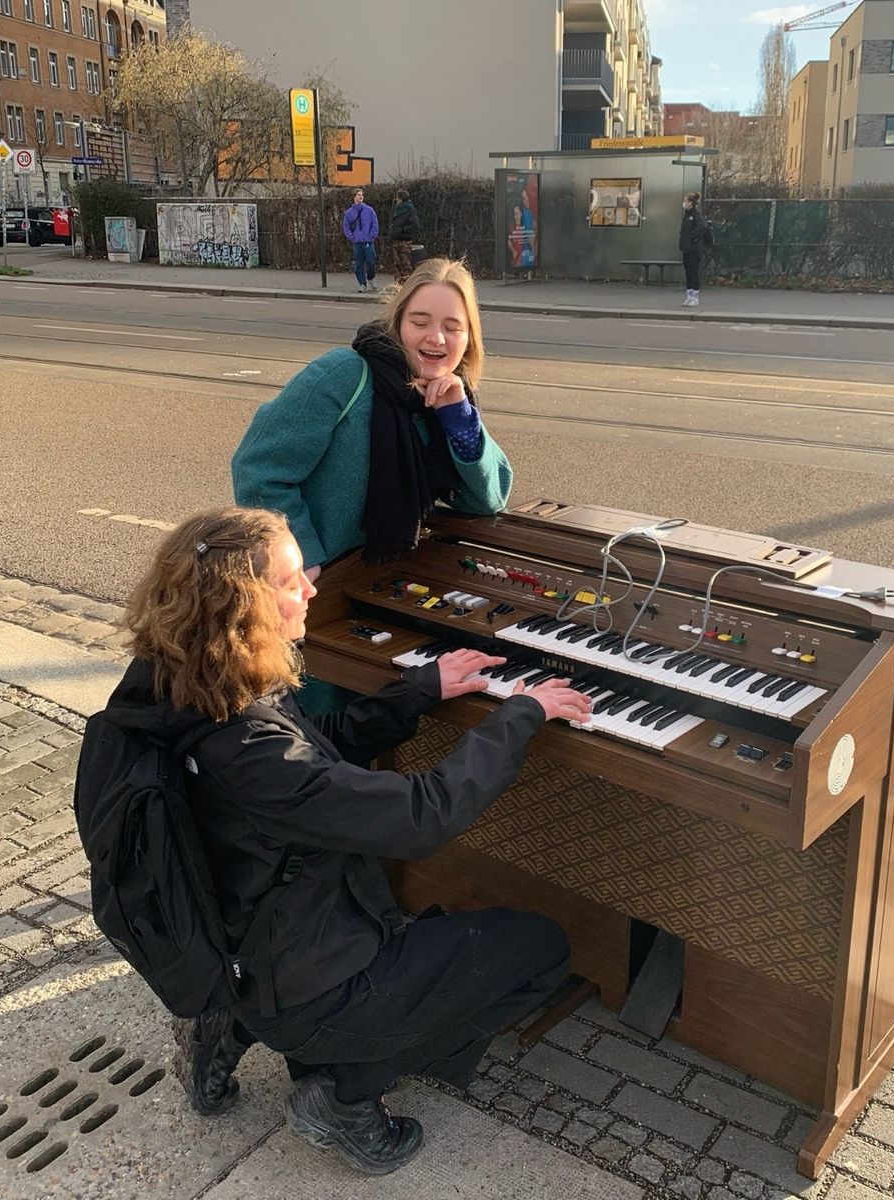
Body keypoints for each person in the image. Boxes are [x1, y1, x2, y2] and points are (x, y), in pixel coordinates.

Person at [107, 505, 590, 1174]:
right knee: (543, 948)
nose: (309, 587)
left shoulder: (182, 686)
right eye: (288, 581)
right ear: (240, 607)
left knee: (426, 935)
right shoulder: (246, 749)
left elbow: (314, 757)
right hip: (311, 981)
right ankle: (344, 1096)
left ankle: (231, 1020)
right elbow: (424, 815)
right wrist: (520, 716)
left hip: (241, 947)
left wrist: (415, 692)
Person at [232, 256, 511, 583]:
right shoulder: (343, 374)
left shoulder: (447, 397)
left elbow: (489, 499)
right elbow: (256, 469)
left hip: (388, 583)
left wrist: (459, 419)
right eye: (420, 322)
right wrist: (303, 562)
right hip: (313, 586)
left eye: (452, 328)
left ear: (468, 340)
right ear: (399, 322)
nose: (436, 338)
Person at [679, 192, 712, 307]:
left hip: (694, 249)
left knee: (694, 272)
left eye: (686, 201)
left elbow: (703, 227)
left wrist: (693, 237)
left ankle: (695, 297)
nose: (684, 203)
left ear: (691, 203)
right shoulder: (687, 215)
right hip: (687, 248)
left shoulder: (696, 215)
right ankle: (689, 296)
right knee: (688, 272)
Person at [342, 188, 379, 293]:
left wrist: (372, 236)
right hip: (357, 241)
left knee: (371, 261)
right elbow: (346, 227)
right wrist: (351, 237)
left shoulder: (369, 210)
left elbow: (374, 224)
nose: (360, 197)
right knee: (359, 264)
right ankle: (362, 283)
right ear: (354, 197)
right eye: (358, 195)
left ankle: (371, 277)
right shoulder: (349, 213)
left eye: (361, 195)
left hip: (368, 241)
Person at [388, 189, 421, 282]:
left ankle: (407, 282)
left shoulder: (410, 209)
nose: (396, 199)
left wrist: (401, 230)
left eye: (397, 197)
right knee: (396, 262)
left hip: (405, 240)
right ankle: (398, 282)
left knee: (405, 262)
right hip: (396, 239)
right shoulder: (397, 209)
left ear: (401, 198)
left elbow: (415, 225)